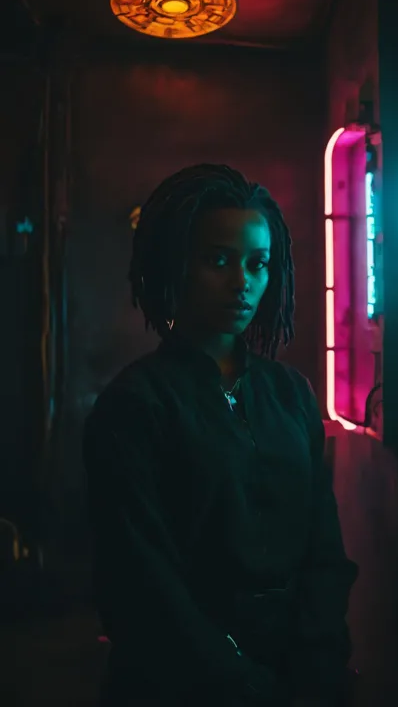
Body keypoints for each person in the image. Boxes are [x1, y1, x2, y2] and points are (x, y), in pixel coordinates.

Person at [83, 164, 358, 707]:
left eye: (258, 263)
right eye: (218, 260)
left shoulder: (292, 396)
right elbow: (141, 584)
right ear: (175, 264)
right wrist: (247, 688)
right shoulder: (135, 407)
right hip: (174, 687)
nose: (242, 282)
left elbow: (323, 552)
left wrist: (318, 669)